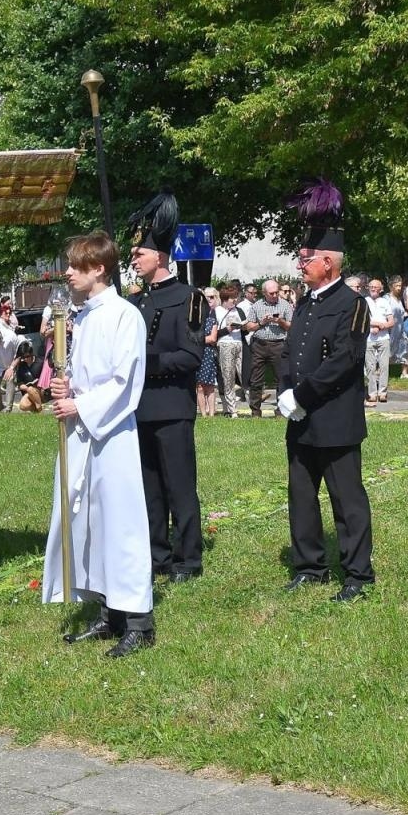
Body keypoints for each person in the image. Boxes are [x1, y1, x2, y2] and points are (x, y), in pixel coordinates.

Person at [45, 233, 156, 656]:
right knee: (90, 521)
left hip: (111, 436)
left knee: (120, 523)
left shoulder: (124, 315)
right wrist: (66, 383)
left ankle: (139, 621)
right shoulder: (85, 316)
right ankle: (110, 612)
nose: (68, 272)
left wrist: (80, 403)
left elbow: (125, 381)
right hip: (82, 432)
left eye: (76, 265)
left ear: (100, 269)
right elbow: (89, 371)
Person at [279, 180, 374, 601]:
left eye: (307, 259)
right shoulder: (305, 303)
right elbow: (291, 352)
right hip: (301, 420)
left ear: (329, 263)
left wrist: (303, 396)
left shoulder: (352, 304)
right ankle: (309, 566)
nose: (301, 264)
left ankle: (357, 573)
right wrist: (285, 392)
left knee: (346, 500)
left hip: (334, 418)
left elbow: (344, 360)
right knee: (301, 495)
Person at [128, 190, 207, 583]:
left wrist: (147, 364)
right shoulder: (136, 302)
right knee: (149, 489)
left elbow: (190, 357)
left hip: (173, 406)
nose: (133, 258)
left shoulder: (189, 298)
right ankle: (156, 555)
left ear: (158, 256)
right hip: (140, 409)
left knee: (179, 487)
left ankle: (187, 558)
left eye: (138, 253)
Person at [245, 278, 294, 417]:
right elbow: (249, 326)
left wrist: (280, 321)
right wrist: (262, 322)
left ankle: (280, 411)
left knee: (281, 378)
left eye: (276, 292)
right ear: (264, 293)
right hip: (259, 344)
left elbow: (291, 326)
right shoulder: (257, 306)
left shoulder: (285, 305)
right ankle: (255, 411)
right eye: (271, 293)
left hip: (278, 344)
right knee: (256, 379)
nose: (274, 295)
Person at [215, 285, 248, 418]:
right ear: (224, 299)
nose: (234, 301)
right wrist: (226, 330)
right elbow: (213, 333)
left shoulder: (239, 311)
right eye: (232, 298)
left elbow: (245, 328)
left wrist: (244, 326)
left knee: (244, 374)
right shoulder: (216, 311)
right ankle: (232, 410)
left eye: (235, 298)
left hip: (239, 343)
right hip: (225, 344)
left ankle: (252, 406)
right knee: (228, 377)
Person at [363, 277, 396, 406]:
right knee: (370, 367)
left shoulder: (385, 302)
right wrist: (374, 324)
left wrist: (382, 326)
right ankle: (372, 393)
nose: (373, 289)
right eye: (371, 286)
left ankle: (383, 392)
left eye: (376, 287)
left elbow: (391, 322)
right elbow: (361, 320)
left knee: (383, 366)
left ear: (381, 289)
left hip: (383, 338)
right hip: (369, 339)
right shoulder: (364, 301)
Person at [197, 287, 220, 417]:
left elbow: (213, 338)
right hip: (198, 353)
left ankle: (211, 413)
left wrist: (199, 339)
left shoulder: (212, 318)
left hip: (208, 353)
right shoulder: (194, 320)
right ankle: (203, 413)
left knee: (210, 385)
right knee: (199, 386)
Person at [14, 341, 46, 413]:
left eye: (27, 356)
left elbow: (45, 379)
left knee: (31, 389)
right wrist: (26, 387)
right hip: (28, 392)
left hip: (40, 390)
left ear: (31, 353)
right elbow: (20, 383)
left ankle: (39, 409)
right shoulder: (21, 366)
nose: (25, 359)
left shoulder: (40, 362)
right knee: (23, 406)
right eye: (23, 357)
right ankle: (35, 410)